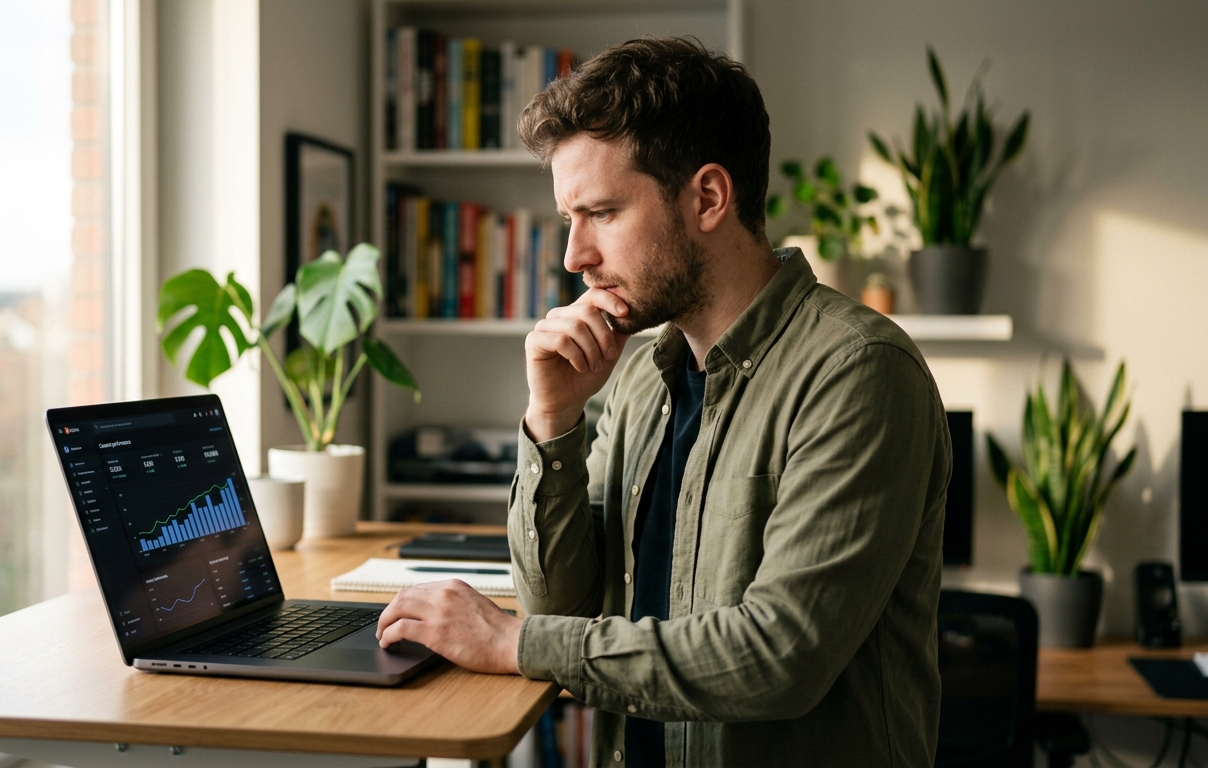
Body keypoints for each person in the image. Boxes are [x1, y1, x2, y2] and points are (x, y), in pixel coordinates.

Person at [376, 37, 950, 767]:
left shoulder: (858, 372)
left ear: (708, 197)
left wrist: (507, 641)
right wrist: (553, 422)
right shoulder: (645, 374)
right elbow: (563, 609)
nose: (572, 257)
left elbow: (778, 656)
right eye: (567, 220)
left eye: (602, 213)